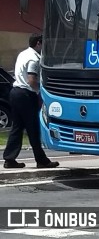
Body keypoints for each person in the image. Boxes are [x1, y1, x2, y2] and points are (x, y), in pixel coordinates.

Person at [3, 34, 59, 169]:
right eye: (43, 44)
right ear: (38, 43)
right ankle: (41, 160)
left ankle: (9, 159)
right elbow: (31, 80)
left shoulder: (23, 54)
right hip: (26, 94)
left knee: (17, 127)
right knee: (33, 128)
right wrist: (40, 92)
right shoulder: (34, 58)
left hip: (15, 92)